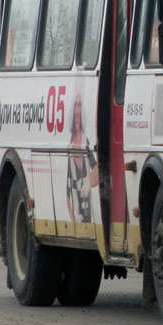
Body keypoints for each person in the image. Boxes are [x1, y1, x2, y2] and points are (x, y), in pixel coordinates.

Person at [66, 94, 98, 226]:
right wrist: (73, 217)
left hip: (88, 211)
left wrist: (87, 182)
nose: (77, 111)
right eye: (75, 105)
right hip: (77, 213)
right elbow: (67, 192)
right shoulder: (69, 146)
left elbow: (97, 170)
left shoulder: (86, 142)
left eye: (80, 105)